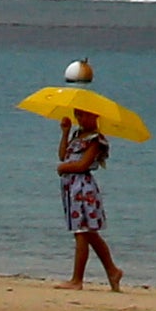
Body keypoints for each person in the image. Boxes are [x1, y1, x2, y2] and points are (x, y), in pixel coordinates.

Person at [54, 59, 124, 291]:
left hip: (82, 189)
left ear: (94, 117)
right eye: (78, 115)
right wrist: (65, 133)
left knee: (82, 233)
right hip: (71, 190)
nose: (81, 119)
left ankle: (77, 279)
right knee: (88, 233)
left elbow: (83, 164)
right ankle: (112, 271)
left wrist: (64, 169)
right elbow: (64, 154)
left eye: (84, 115)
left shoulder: (96, 140)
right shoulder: (77, 135)